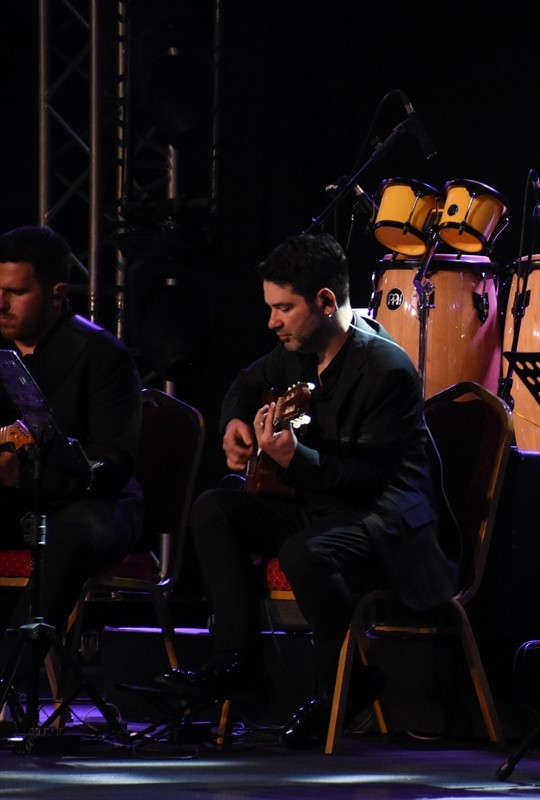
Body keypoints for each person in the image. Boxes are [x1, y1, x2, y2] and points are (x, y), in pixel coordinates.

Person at [158, 232, 457, 749]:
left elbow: (370, 478)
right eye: (270, 307)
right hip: (322, 506)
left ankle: (343, 681)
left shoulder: (387, 370)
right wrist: (235, 423)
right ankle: (240, 662)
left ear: (324, 302)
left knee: (304, 552)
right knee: (215, 510)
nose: (271, 322)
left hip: (384, 519)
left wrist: (295, 459)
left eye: (283, 309)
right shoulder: (296, 353)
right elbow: (244, 385)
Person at [0, 226, 143, 651]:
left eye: (16, 292)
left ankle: (10, 679)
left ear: (58, 292)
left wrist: (22, 478)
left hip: (95, 506)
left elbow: (112, 466)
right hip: (16, 504)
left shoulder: (102, 354)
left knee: (65, 534)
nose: (0, 303)